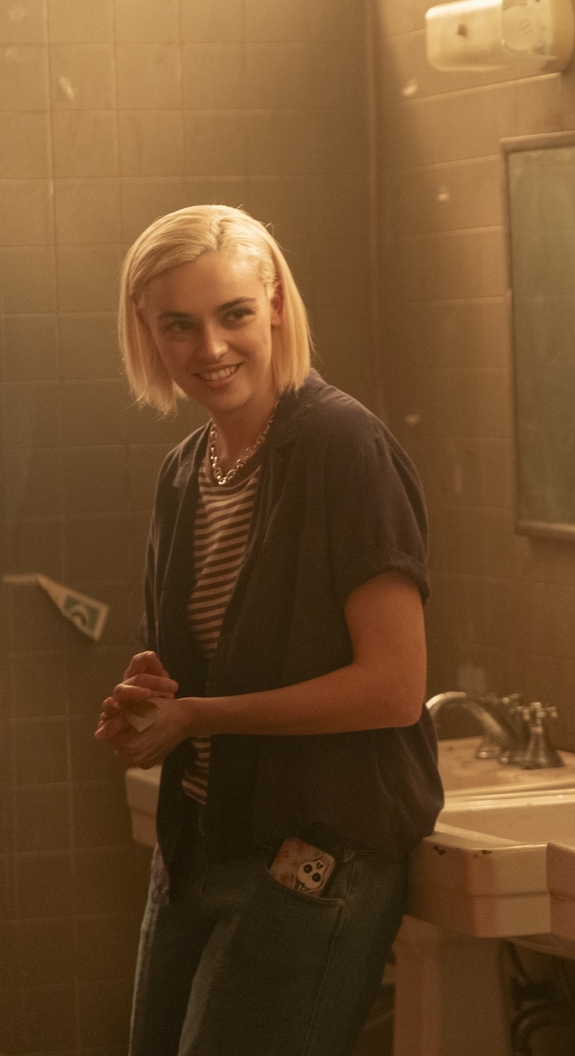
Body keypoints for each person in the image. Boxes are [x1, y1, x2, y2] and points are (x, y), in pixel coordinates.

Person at [95, 205, 443, 1056]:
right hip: (200, 843)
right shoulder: (187, 472)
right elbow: (217, 666)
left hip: (310, 853)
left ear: (276, 304)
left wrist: (198, 717)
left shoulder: (342, 446)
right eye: (179, 326)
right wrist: (152, 702)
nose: (210, 348)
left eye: (234, 314)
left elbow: (394, 689)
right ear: (147, 331)